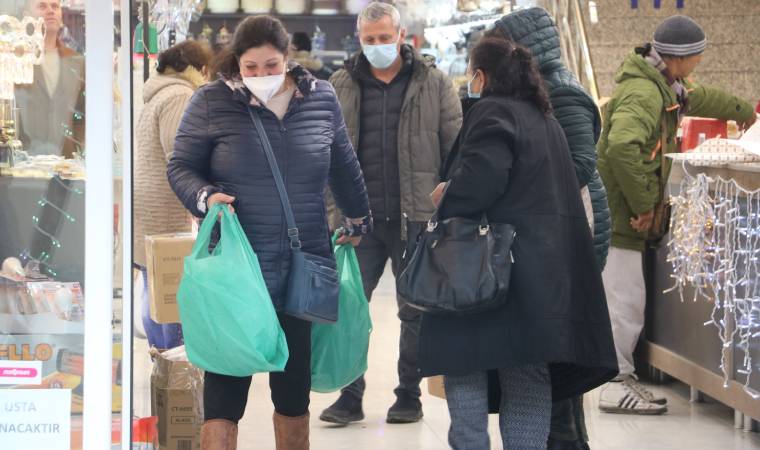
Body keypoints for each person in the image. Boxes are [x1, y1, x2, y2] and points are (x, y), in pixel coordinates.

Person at [166, 16, 371, 450]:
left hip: (305, 260)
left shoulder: (322, 99)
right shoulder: (210, 101)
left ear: (288, 59)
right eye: (251, 67)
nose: (261, 75)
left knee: (293, 388)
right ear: (236, 63)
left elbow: (344, 164)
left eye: (270, 65)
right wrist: (204, 196)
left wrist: (358, 218)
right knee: (226, 383)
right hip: (237, 267)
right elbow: (180, 166)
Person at [419, 36, 618, 449]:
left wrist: (447, 194)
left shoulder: (492, 112)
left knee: (465, 363)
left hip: (488, 271)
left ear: (482, 75)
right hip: (541, 273)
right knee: (526, 372)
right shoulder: (544, 119)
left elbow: (482, 181)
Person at [596, 15, 756, 415]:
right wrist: (646, 205)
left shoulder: (666, 86)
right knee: (624, 300)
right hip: (619, 216)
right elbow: (620, 148)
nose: (700, 61)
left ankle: (616, 375)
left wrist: (743, 112)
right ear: (680, 58)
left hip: (621, 210)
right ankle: (615, 383)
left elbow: (702, 99)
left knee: (624, 297)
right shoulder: (645, 95)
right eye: (698, 55)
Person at [320, 1, 462, 425]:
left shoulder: (434, 84)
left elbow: (456, 151)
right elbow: (322, 154)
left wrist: (444, 207)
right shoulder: (338, 85)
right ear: (359, 39)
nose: (378, 46)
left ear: (402, 37)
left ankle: (409, 394)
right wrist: (334, 214)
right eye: (370, 40)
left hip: (415, 219)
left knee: (414, 311)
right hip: (356, 222)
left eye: (385, 38)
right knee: (349, 308)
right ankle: (349, 395)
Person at [487, 7, 611, 449]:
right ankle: (561, 437)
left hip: (570, 233)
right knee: (552, 345)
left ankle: (566, 440)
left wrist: (519, 188)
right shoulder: (534, 89)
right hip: (551, 230)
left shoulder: (563, 91)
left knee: (558, 344)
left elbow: (579, 163)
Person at [133, 40, 211, 350]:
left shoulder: (157, 92)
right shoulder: (180, 95)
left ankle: (161, 357)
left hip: (148, 205)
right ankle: (172, 364)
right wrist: (198, 198)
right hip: (166, 207)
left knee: (153, 286)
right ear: (199, 69)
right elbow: (179, 158)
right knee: (170, 291)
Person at [15, 0, 85, 158]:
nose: (50, 11)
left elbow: (83, 112)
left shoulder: (76, 62)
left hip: (67, 169)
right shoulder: (15, 59)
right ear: (27, 15)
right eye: (42, 6)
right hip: (23, 167)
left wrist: (78, 147)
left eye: (55, 6)